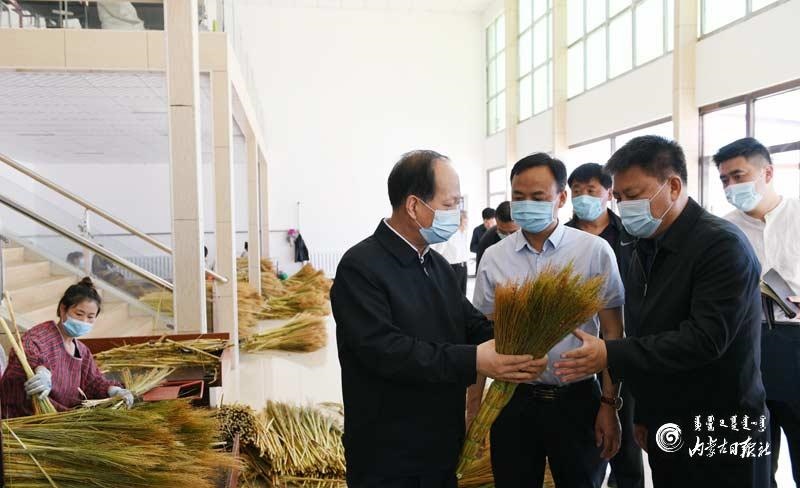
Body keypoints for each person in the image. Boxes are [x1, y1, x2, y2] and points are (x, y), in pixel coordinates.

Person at [554, 136, 769, 488]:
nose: (625, 207)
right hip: (667, 421)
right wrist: (645, 415)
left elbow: (704, 340)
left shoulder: (721, 246)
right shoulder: (645, 245)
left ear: (673, 186)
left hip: (722, 423)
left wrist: (609, 352)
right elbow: (646, 330)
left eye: (634, 195)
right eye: (620, 197)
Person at [330, 150, 547, 488]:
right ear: (414, 206)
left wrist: (518, 340)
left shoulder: (436, 264)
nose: (457, 213)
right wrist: (475, 360)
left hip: (441, 439)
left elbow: (469, 322)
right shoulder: (361, 267)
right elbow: (383, 350)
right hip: (389, 448)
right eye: (450, 204)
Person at [473, 153, 624, 488]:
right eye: (518, 197)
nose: (527, 205)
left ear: (561, 198)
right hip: (512, 399)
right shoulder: (494, 257)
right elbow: (482, 335)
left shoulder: (594, 251)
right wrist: (474, 412)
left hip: (577, 400)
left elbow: (614, 332)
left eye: (538, 197)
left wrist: (609, 404)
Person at [713, 137, 800, 487]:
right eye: (724, 179)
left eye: (739, 176)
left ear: (767, 173)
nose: (731, 186)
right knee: (754, 462)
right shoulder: (722, 230)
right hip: (746, 347)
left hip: (796, 344)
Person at [567, 163, 644, 488]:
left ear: (608, 194)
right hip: (577, 351)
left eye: (591, 190)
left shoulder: (632, 234)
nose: (583, 197)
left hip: (622, 345)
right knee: (586, 438)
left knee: (624, 435)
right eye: (577, 191)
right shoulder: (563, 237)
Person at [0, 277, 134, 418]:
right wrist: (41, 371)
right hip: (27, 418)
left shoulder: (82, 351)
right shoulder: (40, 336)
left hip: (62, 418)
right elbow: (26, 350)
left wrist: (113, 390)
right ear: (63, 309)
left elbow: (93, 382)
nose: (84, 321)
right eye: (79, 314)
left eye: (90, 317)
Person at [432, 210, 471, 294]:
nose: (467, 224)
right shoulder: (448, 234)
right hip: (453, 268)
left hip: (463, 267)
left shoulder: (463, 234)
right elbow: (437, 253)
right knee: (453, 294)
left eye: (467, 221)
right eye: (465, 221)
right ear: (458, 221)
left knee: (463, 295)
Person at [475, 201, 519, 267]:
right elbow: (480, 270)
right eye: (503, 232)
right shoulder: (486, 241)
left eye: (513, 232)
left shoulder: (531, 236)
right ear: (496, 221)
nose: (508, 237)